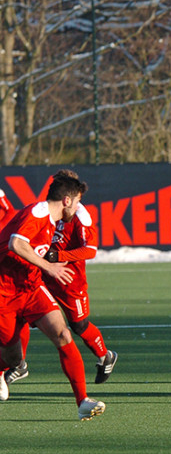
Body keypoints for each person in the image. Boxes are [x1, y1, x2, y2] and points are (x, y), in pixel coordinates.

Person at [0, 170, 105, 419]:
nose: (78, 207)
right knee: (13, 357)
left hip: (31, 289)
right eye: (77, 201)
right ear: (67, 200)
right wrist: (49, 267)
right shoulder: (38, 212)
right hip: (4, 293)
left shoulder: (55, 220)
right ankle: (11, 366)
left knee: (63, 333)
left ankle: (83, 402)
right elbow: (16, 243)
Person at [4, 196, 118, 386]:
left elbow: (90, 250)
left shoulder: (81, 216)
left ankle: (105, 356)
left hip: (69, 280)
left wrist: (57, 256)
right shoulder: (47, 211)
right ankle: (18, 365)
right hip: (42, 273)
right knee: (21, 315)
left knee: (78, 325)